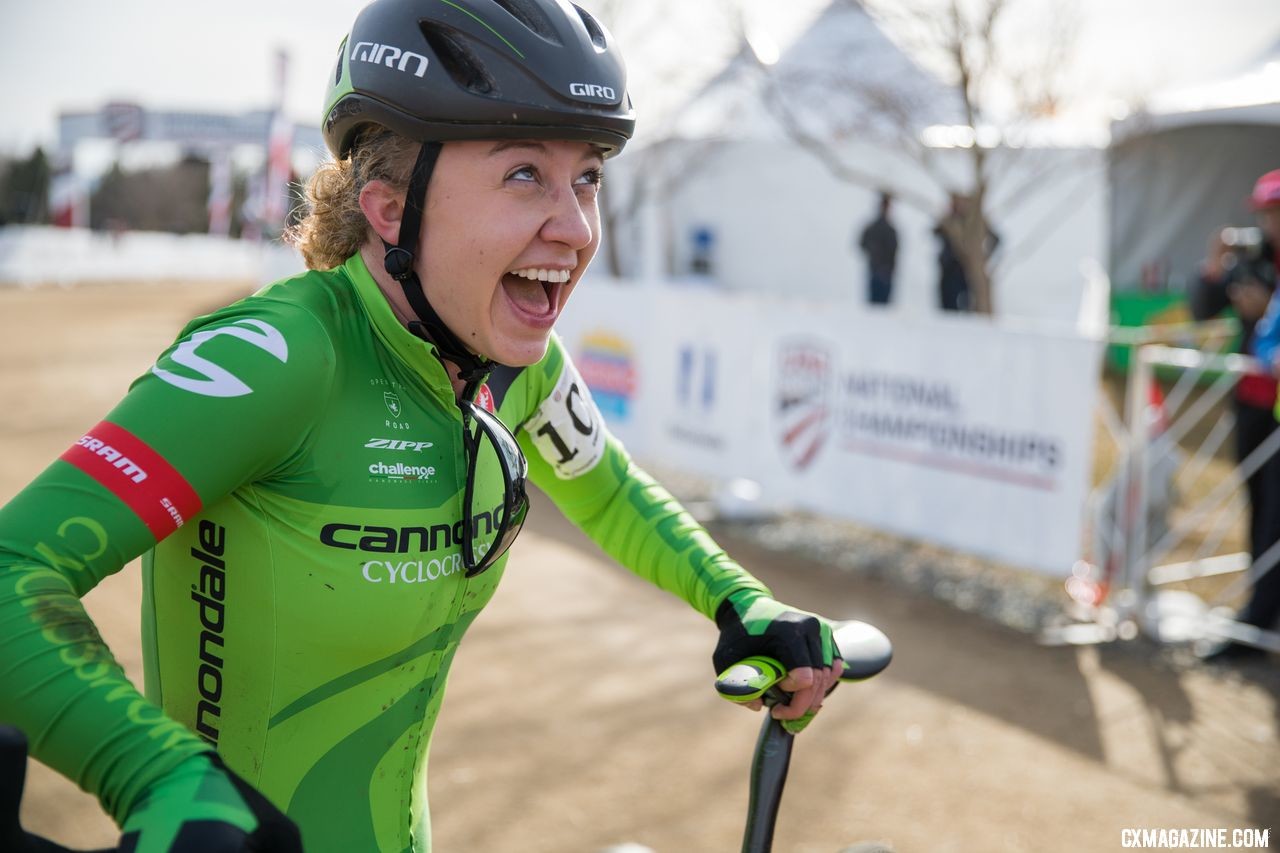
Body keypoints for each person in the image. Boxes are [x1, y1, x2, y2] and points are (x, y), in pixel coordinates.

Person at [0, 2, 845, 851]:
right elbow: (12, 569)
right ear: (389, 208)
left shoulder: (509, 361)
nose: (577, 227)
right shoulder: (282, 358)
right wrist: (158, 774)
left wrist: (737, 595)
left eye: (587, 175)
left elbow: (610, 490)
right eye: (525, 174)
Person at [1206, 169, 1280, 661]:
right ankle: (1261, 611)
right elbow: (1208, 305)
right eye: (1266, 214)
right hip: (1253, 401)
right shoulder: (1252, 258)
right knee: (1258, 508)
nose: (1270, 223)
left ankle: (1259, 619)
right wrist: (1215, 268)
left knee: (1275, 514)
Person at [933, 193, 998, 312]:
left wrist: (983, 257)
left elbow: (996, 239)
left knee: (965, 303)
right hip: (948, 267)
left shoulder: (975, 221)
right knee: (947, 304)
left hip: (965, 269)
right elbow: (935, 232)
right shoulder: (950, 220)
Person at [857, 191, 898, 305]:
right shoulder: (873, 228)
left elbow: (895, 252)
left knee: (883, 306)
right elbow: (862, 244)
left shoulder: (891, 230)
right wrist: (873, 254)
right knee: (875, 306)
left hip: (886, 272)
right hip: (876, 270)